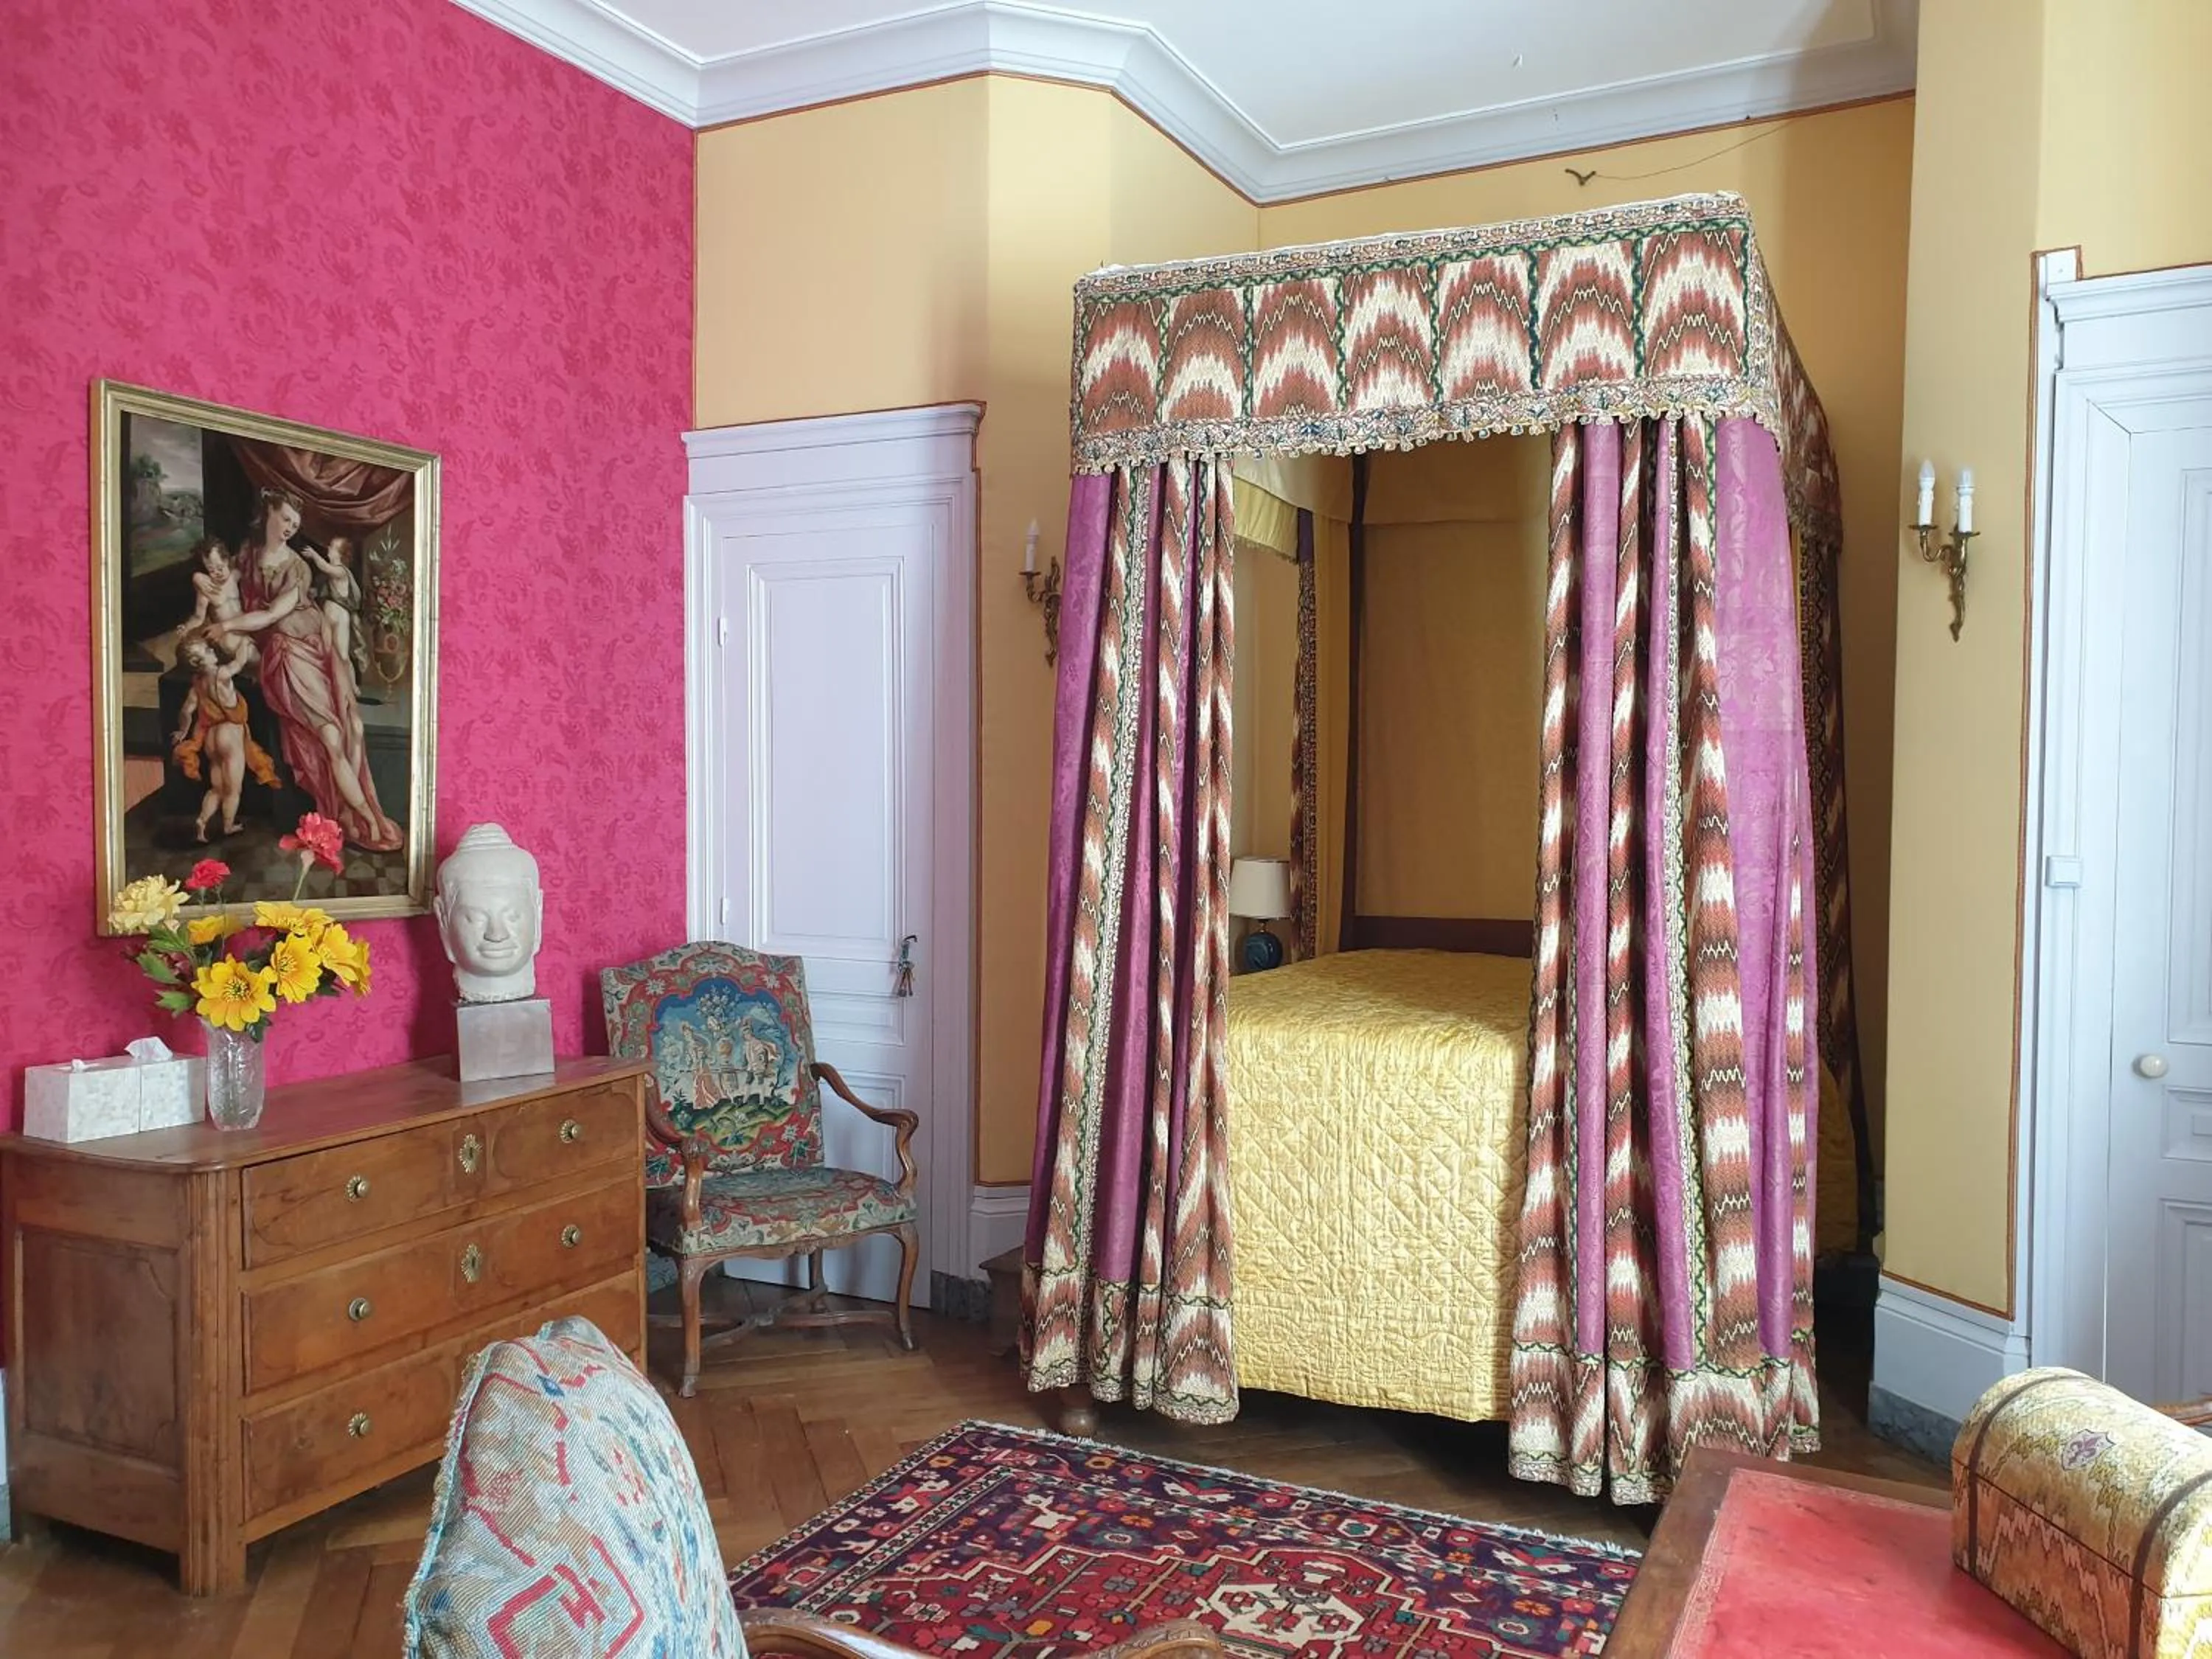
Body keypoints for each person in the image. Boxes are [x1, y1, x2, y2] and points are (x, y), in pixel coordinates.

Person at [226, 489, 403, 852]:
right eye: (286, 518)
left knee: (350, 727)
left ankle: (363, 815)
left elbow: (274, 613)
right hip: (288, 658)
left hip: (319, 653)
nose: (291, 527)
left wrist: (226, 627)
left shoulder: (298, 567)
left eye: (296, 523)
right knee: (332, 736)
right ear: (269, 513)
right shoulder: (246, 556)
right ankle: (364, 818)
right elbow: (237, 596)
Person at [171, 636, 279, 843]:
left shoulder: (198, 684)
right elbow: (239, 663)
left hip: (211, 737)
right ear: (198, 662)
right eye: (208, 651)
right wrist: (245, 644)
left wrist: (183, 731)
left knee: (217, 787)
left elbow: (187, 710)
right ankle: (228, 826)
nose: (213, 651)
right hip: (230, 734)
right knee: (233, 789)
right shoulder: (221, 674)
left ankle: (202, 821)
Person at [299, 534, 369, 692]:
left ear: (340, 554)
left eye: (332, 547)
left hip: (340, 618)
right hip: (327, 618)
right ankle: (330, 687)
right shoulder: (328, 576)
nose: (328, 549)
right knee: (326, 653)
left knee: (343, 656)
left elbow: (325, 566)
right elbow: (323, 589)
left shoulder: (341, 572)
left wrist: (314, 555)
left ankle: (353, 688)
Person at [183, 538, 254, 670]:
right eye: (211, 570)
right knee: (231, 644)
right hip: (227, 634)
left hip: (245, 626)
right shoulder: (207, 590)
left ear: (227, 560)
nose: (217, 573)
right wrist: (186, 628)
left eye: (220, 567)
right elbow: (199, 617)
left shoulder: (235, 576)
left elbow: (247, 561)